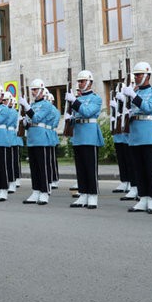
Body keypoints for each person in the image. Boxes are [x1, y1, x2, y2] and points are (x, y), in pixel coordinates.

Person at [120, 62, 152, 214]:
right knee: (138, 170)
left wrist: (133, 95)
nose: (136, 77)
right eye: (135, 75)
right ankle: (143, 197)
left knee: (151, 170)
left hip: (149, 135)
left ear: (147, 75)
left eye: (139, 74)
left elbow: (148, 107)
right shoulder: (131, 92)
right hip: (135, 135)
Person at [65, 70, 104, 209]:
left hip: (90, 135)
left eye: (82, 81)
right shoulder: (76, 99)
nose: (80, 84)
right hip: (78, 135)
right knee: (80, 167)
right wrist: (69, 119)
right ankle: (83, 194)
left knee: (90, 167)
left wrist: (74, 101)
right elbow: (76, 115)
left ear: (89, 82)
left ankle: (92, 195)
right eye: (79, 81)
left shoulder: (96, 98)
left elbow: (87, 112)